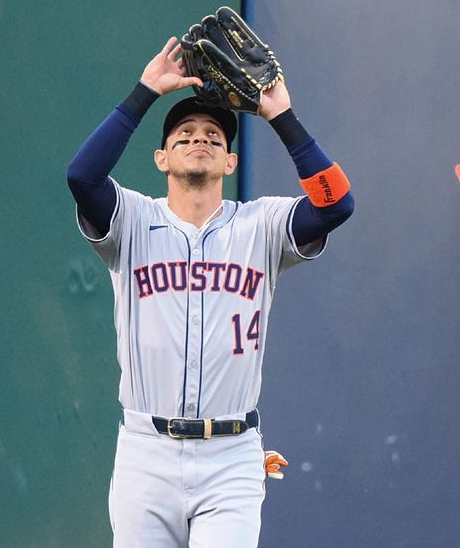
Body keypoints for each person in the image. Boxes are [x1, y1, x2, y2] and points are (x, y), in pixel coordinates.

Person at [66, 36, 354, 548]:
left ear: (230, 162)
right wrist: (144, 93)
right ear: (160, 158)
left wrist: (280, 115)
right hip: (145, 452)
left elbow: (336, 205)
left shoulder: (261, 225)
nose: (200, 138)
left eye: (214, 136)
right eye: (184, 134)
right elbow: (82, 176)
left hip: (231, 455)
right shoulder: (132, 218)